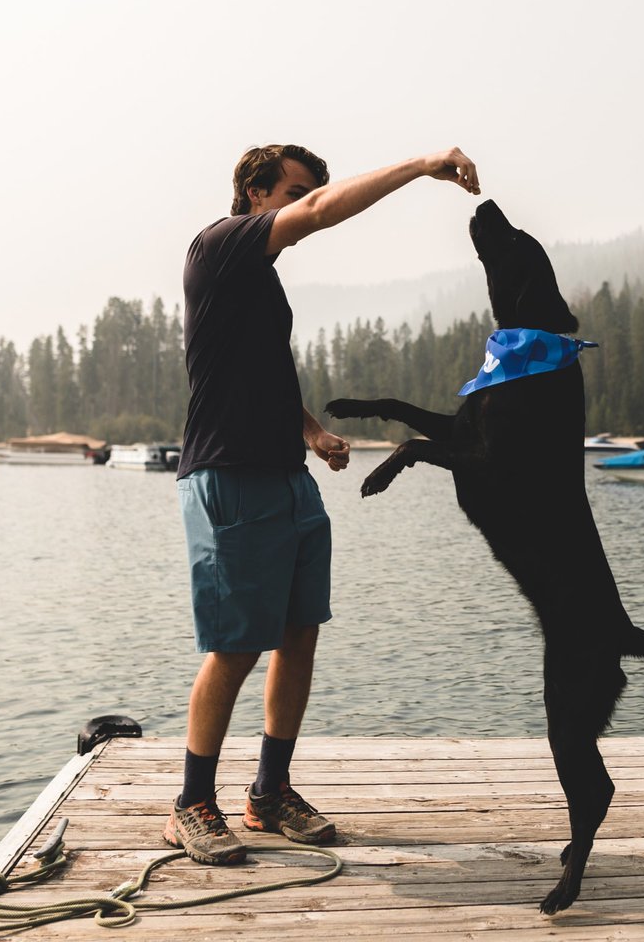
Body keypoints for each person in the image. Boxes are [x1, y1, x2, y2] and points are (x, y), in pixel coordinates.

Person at [165, 142, 481, 864]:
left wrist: (310, 432)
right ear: (254, 192)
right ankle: (190, 803)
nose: (302, 203)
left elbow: (267, 374)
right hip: (229, 476)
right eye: (292, 190)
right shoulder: (219, 245)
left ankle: (269, 793)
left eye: (305, 191)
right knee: (236, 646)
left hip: (285, 475)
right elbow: (314, 214)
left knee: (299, 632)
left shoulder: (261, 280)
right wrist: (420, 166)